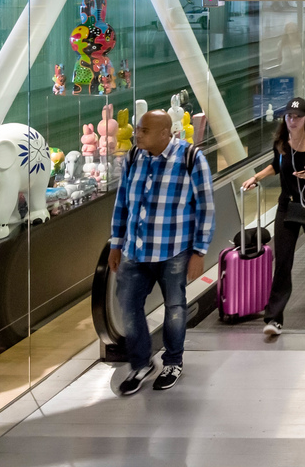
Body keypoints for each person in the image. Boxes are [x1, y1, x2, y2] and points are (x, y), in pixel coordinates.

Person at [109, 109, 215, 395]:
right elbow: (122, 203)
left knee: (175, 308)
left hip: (174, 250)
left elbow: (206, 207)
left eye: (143, 130)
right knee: (129, 307)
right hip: (135, 250)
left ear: (165, 134)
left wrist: (199, 251)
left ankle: (172, 361)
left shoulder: (191, 159)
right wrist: (116, 243)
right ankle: (141, 363)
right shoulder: (133, 157)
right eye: (138, 129)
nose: (137, 134)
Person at [241, 97, 305, 337]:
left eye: (297, 117)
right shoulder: (282, 142)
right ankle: (274, 318)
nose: (292, 121)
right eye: (288, 116)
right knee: (283, 259)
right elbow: (276, 165)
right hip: (288, 207)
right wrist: (257, 177)